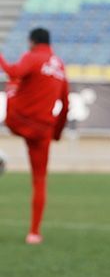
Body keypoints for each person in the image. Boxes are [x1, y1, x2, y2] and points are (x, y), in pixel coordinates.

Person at [0, 27, 69, 244]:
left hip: (19, 120)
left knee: (12, 88)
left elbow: (13, 72)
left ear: (32, 42)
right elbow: (65, 104)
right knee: (39, 180)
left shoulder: (33, 56)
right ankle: (34, 233)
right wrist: (56, 133)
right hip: (44, 130)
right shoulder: (59, 65)